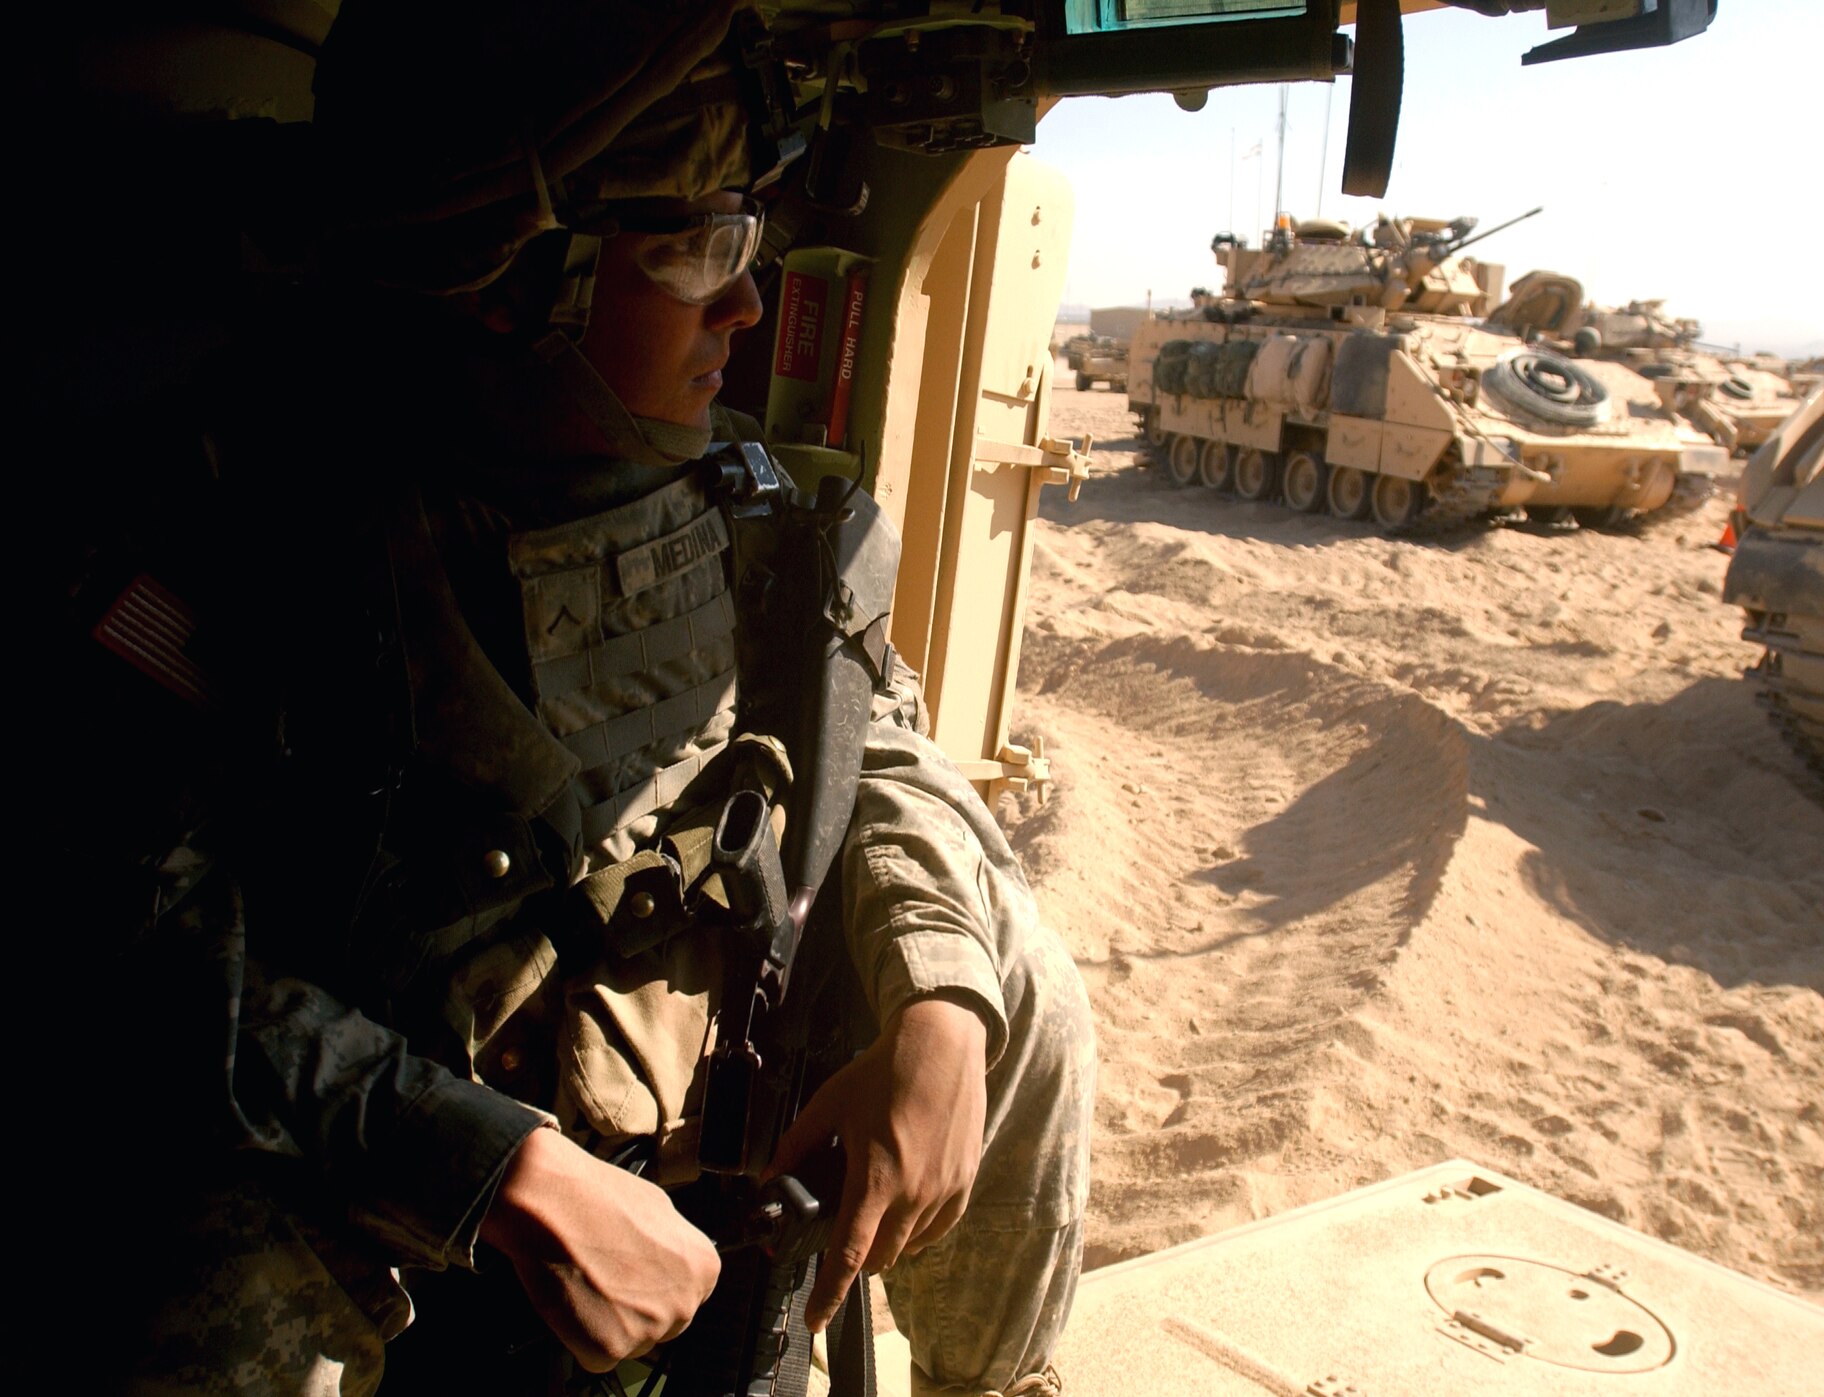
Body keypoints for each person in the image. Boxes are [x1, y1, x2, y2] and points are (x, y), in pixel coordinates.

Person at [82, 2, 1094, 1393]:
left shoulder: (733, 494)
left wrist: (941, 1000)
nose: (746, 301)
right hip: (397, 1158)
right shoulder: (256, 524)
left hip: (688, 1089)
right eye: (694, 244)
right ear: (509, 282)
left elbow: (887, 740)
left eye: (749, 230)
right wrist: (487, 1162)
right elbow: (139, 943)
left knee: (1016, 978)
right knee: (215, 1286)